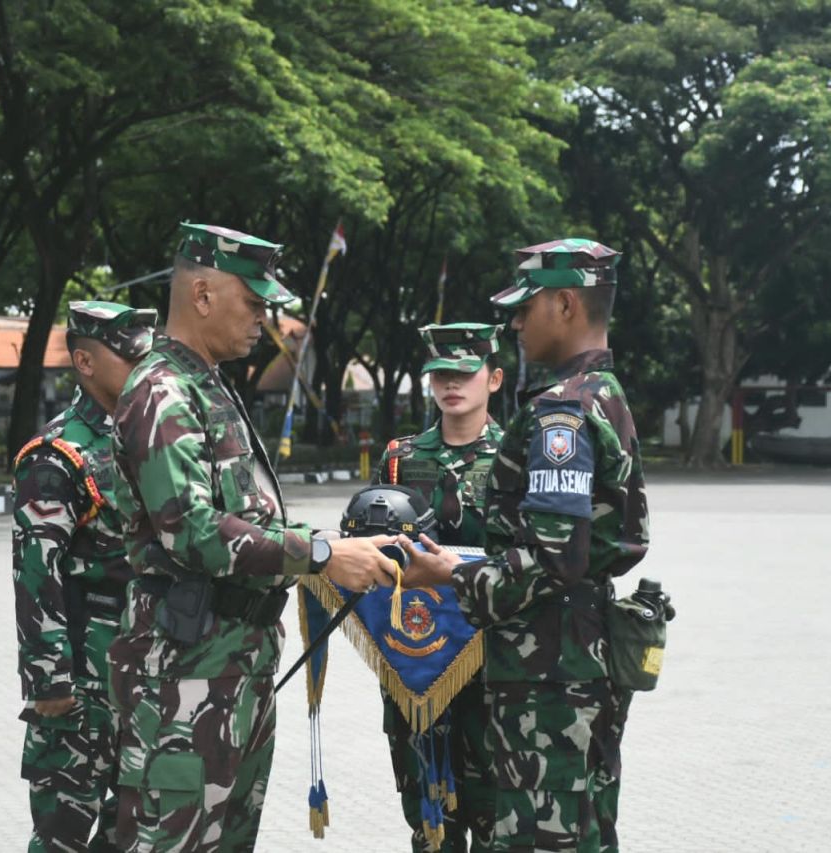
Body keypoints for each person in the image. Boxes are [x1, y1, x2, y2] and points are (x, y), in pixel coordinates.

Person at [109, 222, 396, 853]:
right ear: (203, 294)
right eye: (254, 300)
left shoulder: (208, 385)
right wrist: (319, 555)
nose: (263, 318)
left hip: (232, 672)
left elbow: (252, 519)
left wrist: (321, 541)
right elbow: (195, 532)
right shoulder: (162, 391)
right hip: (183, 680)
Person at [399, 238, 650, 852]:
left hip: (547, 673)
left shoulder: (559, 413)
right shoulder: (606, 395)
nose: (514, 321)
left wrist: (449, 575)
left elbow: (548, 560)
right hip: (582, 654)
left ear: (564, 304)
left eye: (525, 306)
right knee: (585, 828)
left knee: (542, 837)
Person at [12, 301, 158, 852]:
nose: (143, 370)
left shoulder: (145, 440)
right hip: (81, 678)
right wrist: (50, 681)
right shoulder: (59, 455)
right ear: (85, 361)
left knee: (134, 829)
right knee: (63, 835)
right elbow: (35, 573)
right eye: (129, 358)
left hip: (142, 667)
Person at [372, 322, 505, 852]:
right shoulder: (402, 458)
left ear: (493, 379)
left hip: (493, 661)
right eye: (440, 374)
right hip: (418, 663)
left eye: (465, 373)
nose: (452, 384)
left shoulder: (516, 455)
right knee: (429, 825)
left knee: (499, 820)